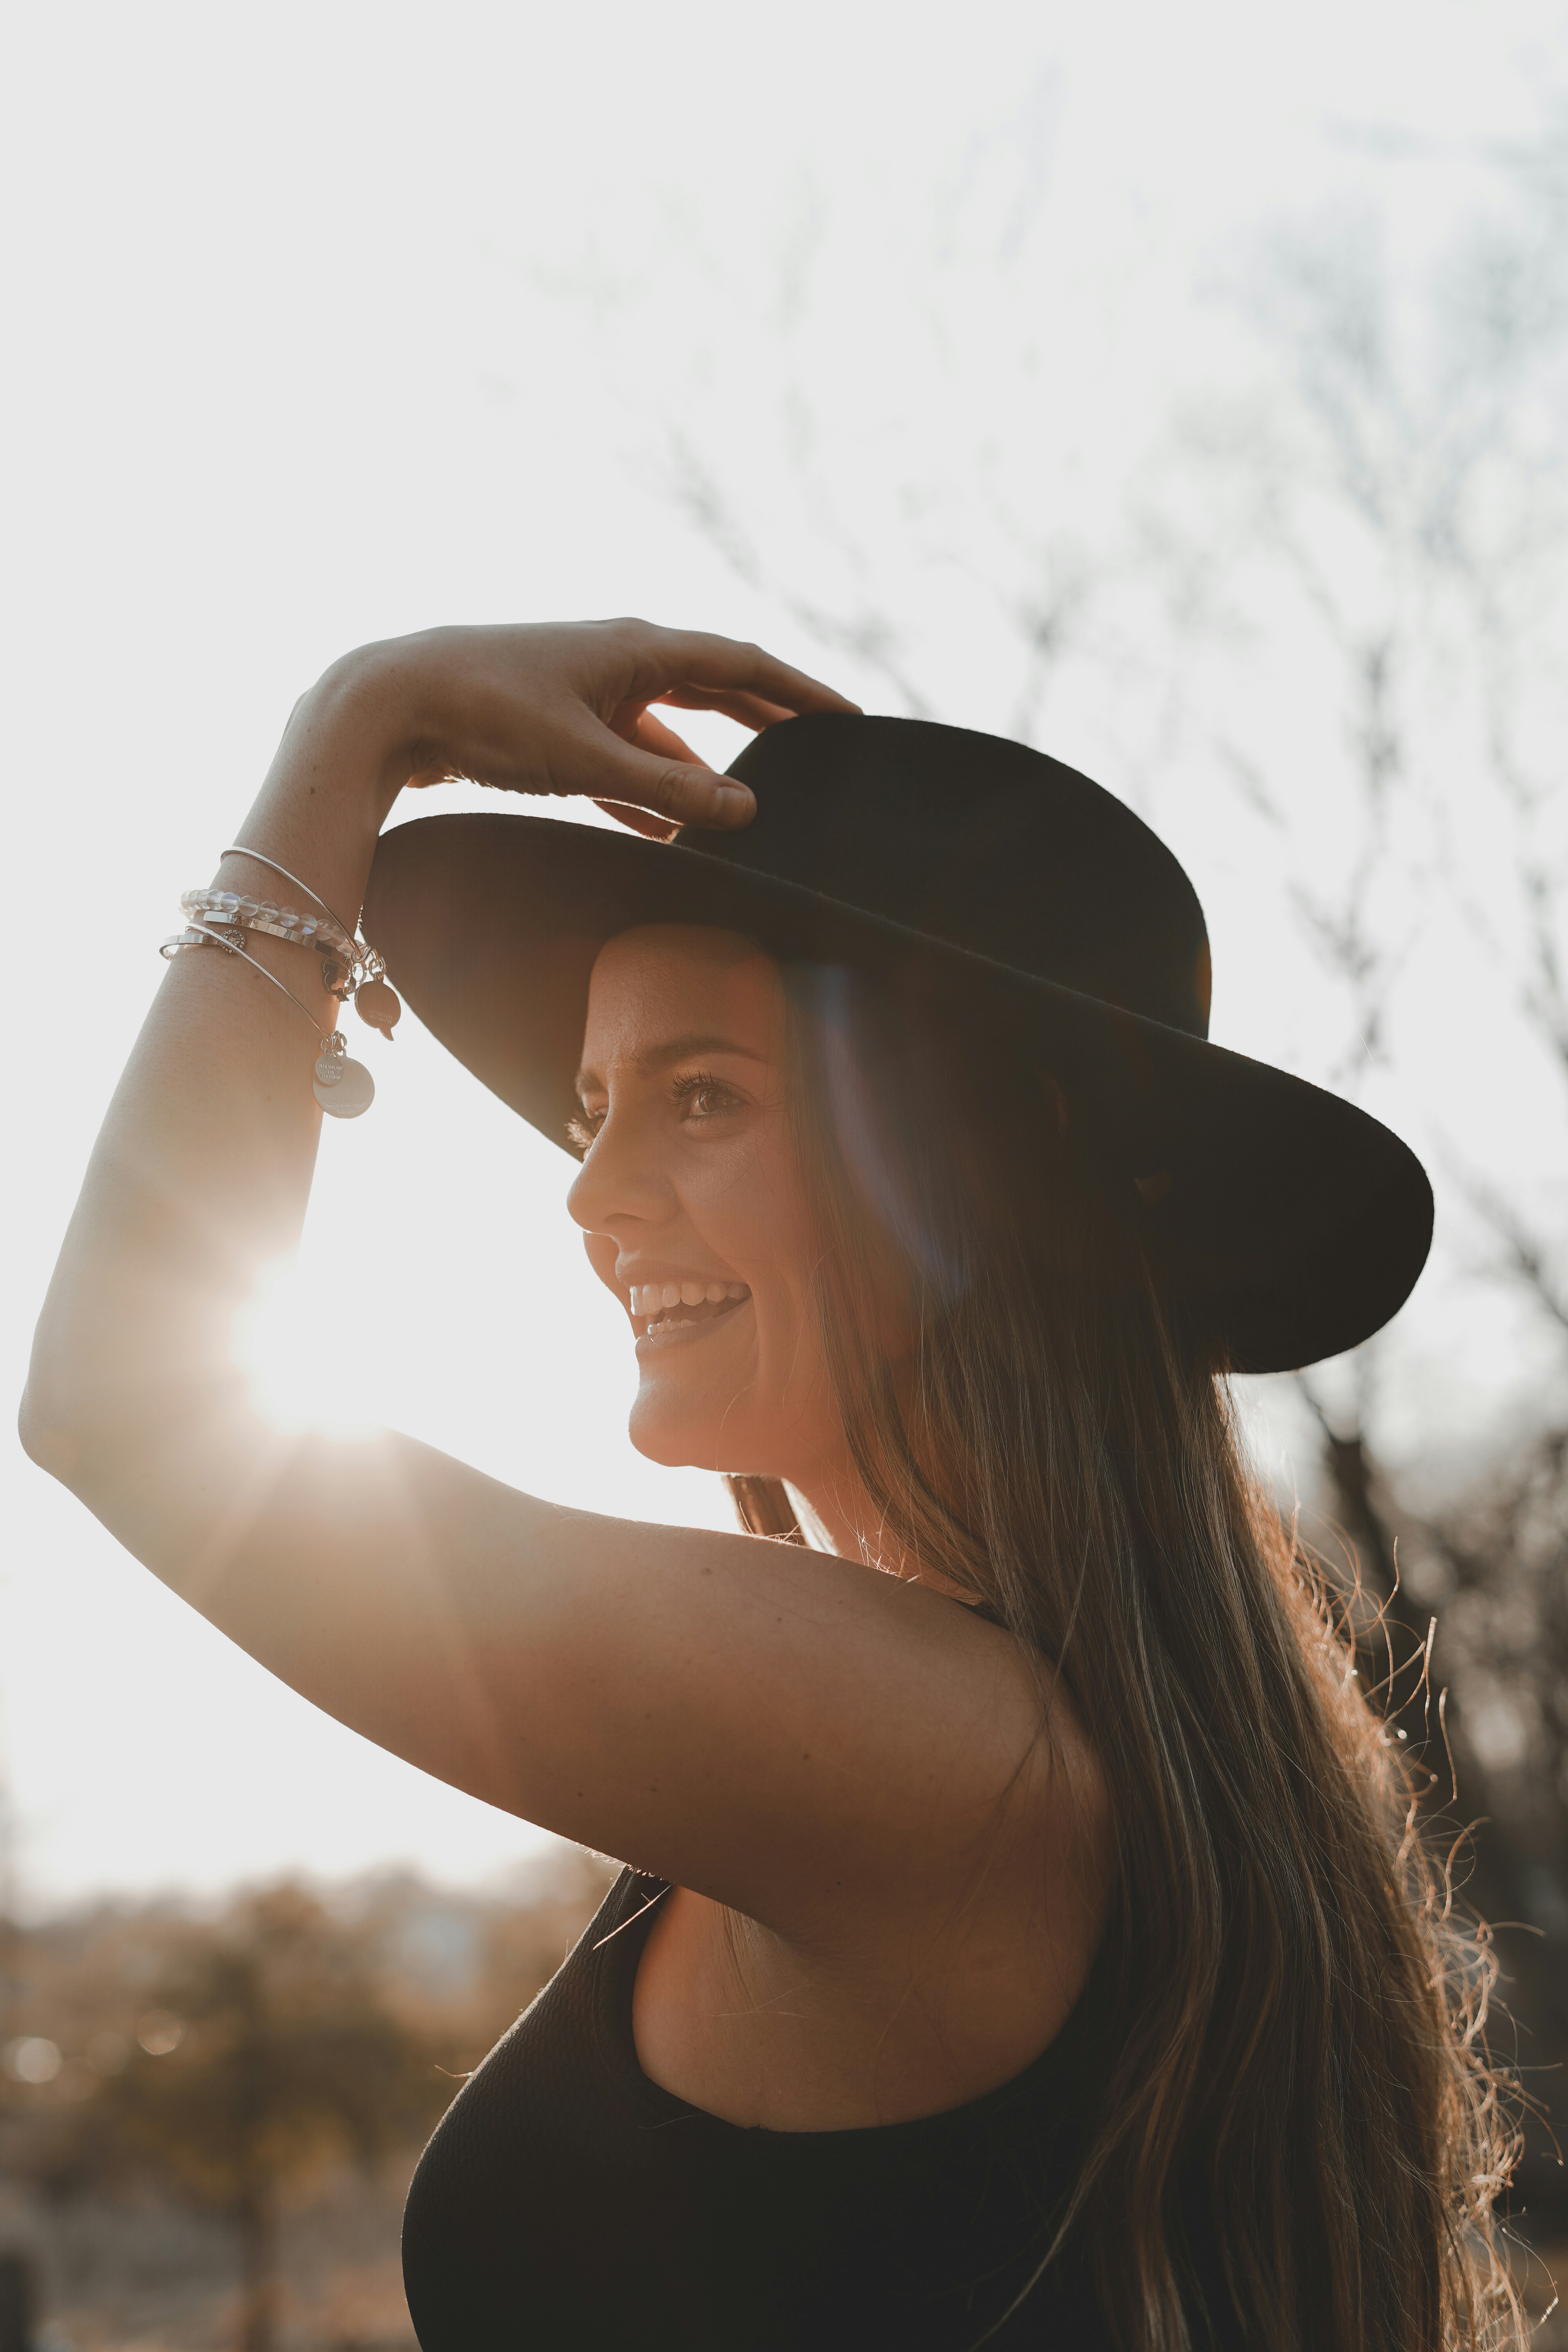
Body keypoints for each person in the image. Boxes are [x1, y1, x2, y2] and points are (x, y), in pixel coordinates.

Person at [21, 621, 1522, 2350]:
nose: (590, 1194)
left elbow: (129, 1406)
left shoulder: (960, 1760)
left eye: (701, 1096)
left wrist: (358, 726)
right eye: (592, 1105)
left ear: (985, 1168)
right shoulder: (1071, 1736)